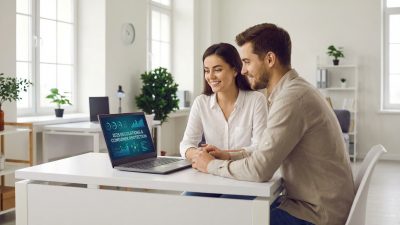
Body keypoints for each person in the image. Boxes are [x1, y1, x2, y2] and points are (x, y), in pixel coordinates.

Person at [191, 23, 355, 225]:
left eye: (247, 62)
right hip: (313, 205)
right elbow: (265, 149)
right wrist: (228, 155)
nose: (242, 70)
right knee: (222, 206)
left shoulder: (292, 98)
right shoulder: (292, 91)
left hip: (315, 215)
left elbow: (260, 170)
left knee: (226, 215)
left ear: (269, 59)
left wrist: (211, 165)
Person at [180, 43, 267, 162]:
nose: (210, 76)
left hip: (245, 173)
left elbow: (260, 147)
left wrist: (227, 155)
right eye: (206, 70)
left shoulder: (256, 100)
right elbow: (186, 144)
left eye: (218, 70)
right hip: (211, 172)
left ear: (235, 70)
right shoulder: (201, 102)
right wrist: (197, 154)